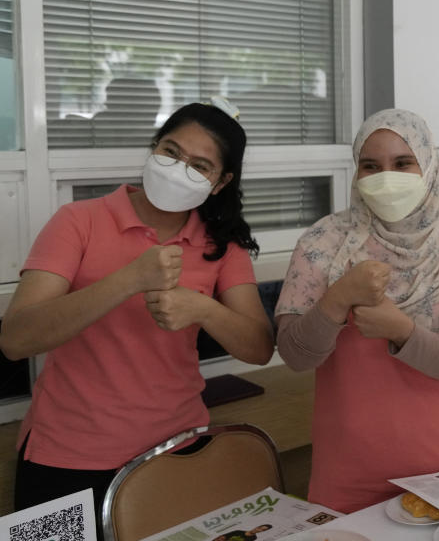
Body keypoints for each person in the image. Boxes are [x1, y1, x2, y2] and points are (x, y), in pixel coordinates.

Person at [0, 101, 274, 517]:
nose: (178, 168)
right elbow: (16, 339)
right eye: (170, 151)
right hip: (62, 456)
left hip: (176, 450)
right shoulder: (77, 220)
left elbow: (258, 348)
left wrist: (204, 309)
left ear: (221, 182)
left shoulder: (223, 244)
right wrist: (128, 280)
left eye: (200, 165)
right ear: (153, 148)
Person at [275, 109, 439, 513]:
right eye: (371, 166)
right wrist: (338, 297)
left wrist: (400, 328)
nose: (386, 178)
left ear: (429, 166)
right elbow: (295, 355)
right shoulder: (324, 243)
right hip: (345, 473)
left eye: (403, 163)